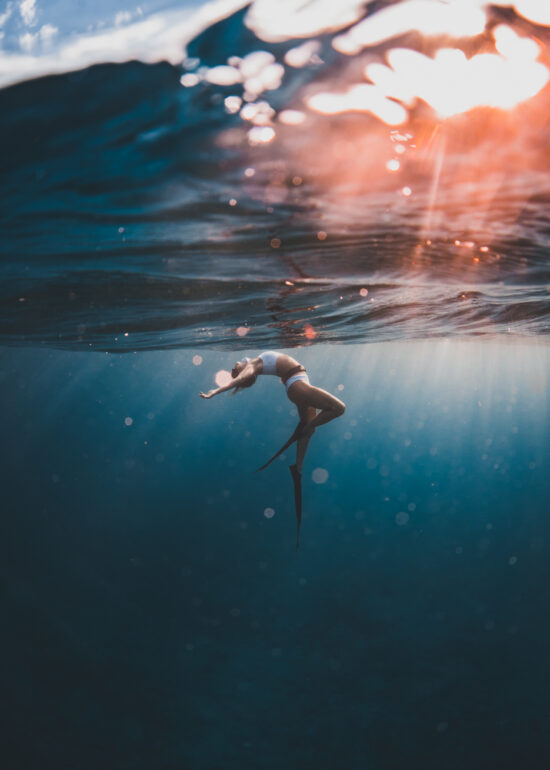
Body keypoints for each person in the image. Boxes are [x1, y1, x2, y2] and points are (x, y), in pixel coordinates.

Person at [199, 351, 345, 549]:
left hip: (297, 383)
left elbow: (239, 378)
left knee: (308, 429)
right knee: (338, 409)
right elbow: (237, 380)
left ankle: (298, 469)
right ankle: (307, 428)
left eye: (234, 369)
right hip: (297, 386)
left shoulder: (255, 362)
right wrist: (214, 392)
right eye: (235, 370)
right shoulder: (253, 365)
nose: (234, 368)